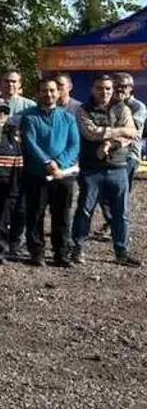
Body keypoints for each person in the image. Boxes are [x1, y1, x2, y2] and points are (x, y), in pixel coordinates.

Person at [71, 75, 140, 267]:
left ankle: (122, 252)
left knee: (121, 213)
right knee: (85, 210)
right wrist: (119, 131)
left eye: (108, 89)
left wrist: (109, 142)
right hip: (92, 169)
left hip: (118, 167)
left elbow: (132, 134)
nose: (105, 92)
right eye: (100, 88)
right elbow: (90, 133)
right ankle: (77, 248)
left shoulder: (123, 108)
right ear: (93, 89)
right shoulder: (83, 110)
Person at [19, 77, 81, 268]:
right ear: (37, 94)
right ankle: (36, 253)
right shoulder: (29, 117)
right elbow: (30, 142)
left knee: (62, 215)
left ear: (59, 92)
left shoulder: (68, 117)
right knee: (35, 214)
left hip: (63, 175)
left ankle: (61, 254)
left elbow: (74, 144)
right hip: (37, 174)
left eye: (53, 90)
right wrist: (46, 162)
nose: (49, 94)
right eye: (44, 91)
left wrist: (59, 163)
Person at [0, 97, 26, 265]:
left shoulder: (14, 132)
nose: (0, 115)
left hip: (9, 182)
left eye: (3, 112)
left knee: (2, 219)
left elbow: (20, 158)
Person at [112, 72, 146, 195]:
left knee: (121, 195)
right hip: (109, 154)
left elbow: (131, 132)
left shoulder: (138, 107)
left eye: (124, 86)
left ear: (131, 88)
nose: (119, 89)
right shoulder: (108, 104)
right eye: (116, 86)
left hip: (129, 155)